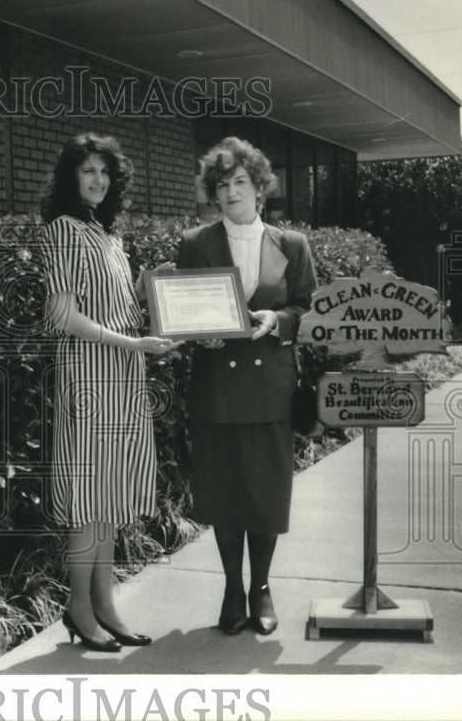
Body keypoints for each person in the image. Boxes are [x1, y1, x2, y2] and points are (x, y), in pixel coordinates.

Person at [38, 132, 179, 652]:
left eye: (106, 172)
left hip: (121, 375)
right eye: (88, 170)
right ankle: (78, 606)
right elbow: (60, 314)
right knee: (86, 498)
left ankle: (103, 605)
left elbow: (110, 305)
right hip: (89, 377)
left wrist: (145, 288)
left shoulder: (109, 236)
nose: (98, 179)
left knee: (109, 496)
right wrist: (133, 342)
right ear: (71, 177)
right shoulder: (63, 230)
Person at [177, 136, 316, 635]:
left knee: (265, 492)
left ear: (260, 190)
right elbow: (183, 310)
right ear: (213, 195)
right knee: (224, 490)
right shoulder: (195, 243)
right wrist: (200, 336)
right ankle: (232, 588)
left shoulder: (292, 244)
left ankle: (261, 587)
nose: (232, 191)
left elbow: (310, 310)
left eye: (241, 182)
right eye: (222, 184)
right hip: (217, 388)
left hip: (270, 388)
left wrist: (276, 319)